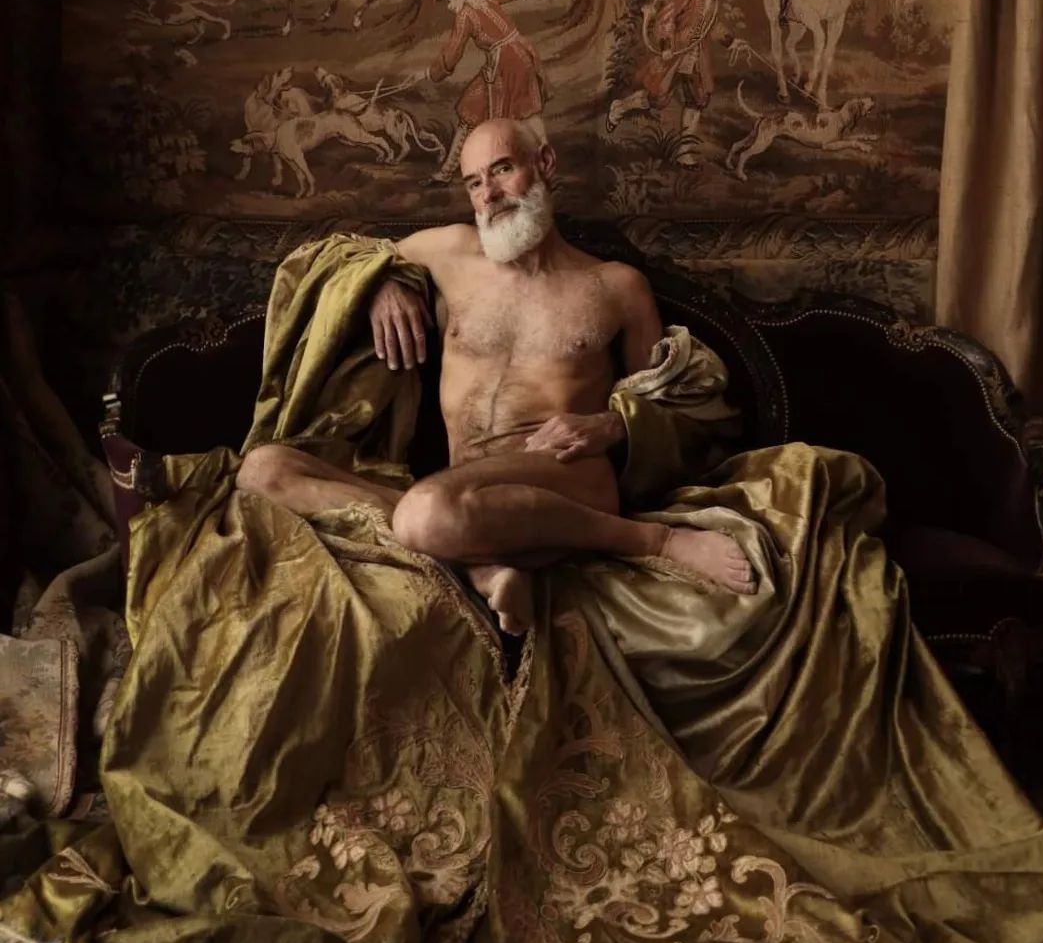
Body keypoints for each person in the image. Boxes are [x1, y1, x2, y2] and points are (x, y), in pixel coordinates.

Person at [236, 117, 756, 633]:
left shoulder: (616, 286)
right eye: (474, 182)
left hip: (565, 479)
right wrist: (379, 284)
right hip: (459, 490)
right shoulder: (451, 253)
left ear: (544, 163)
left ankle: (655, 542)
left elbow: (669, 401)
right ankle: (481, 567)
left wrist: (610, 424)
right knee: (262, 470)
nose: (489, 194)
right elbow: (348, 256)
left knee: (425, 513)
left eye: (503, 169)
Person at [606, 0, 751, 165]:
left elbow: (711, 25)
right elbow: (666, 17)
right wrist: (666, 45)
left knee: (698, 99)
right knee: (656, 98)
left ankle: (685, 152)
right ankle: (619, 108)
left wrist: (731, 41)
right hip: (675, 52)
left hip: (697, 54)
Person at [420, 0, 551, 183]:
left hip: (505, 65)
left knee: (472, 109)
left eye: (449, 0)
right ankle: (545, 166)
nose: (449, 6)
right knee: (527, 111)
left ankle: (447, 173)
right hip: (524, 55)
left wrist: (431, 73)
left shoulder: (465, 15)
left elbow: (453, 53)